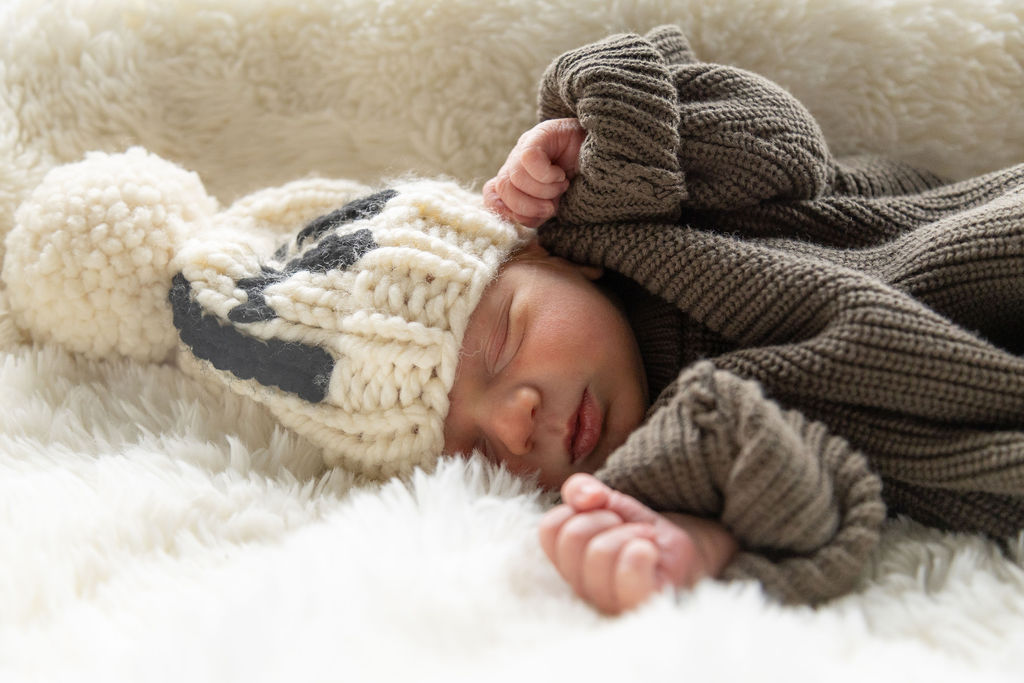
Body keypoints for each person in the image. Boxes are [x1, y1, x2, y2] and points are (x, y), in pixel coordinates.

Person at [445, 24, 1024, 612]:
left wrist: (604, 141)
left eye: (502, 342)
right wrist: (697, 543)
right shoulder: (660, 471)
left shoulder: (642, 209)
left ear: (541, 252)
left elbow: (785, 146)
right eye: (479, 451)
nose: (516, 424)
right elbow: (820, 495)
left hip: (973, 254)